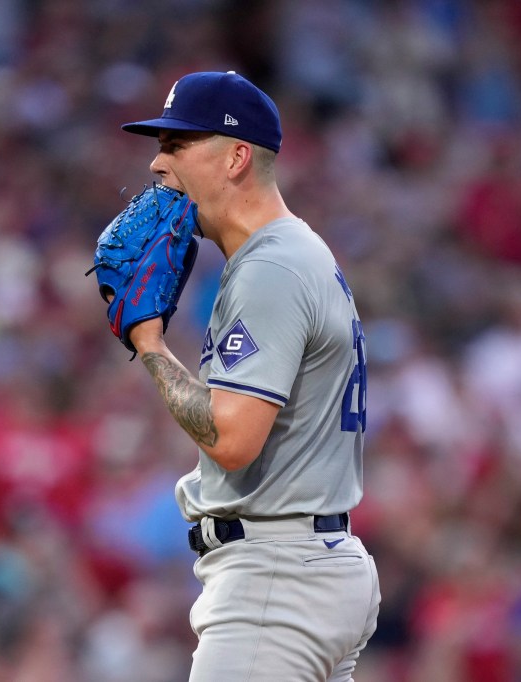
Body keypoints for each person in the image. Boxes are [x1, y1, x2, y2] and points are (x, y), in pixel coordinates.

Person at [115, 71, 381, 681]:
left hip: (276, 579)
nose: (157, 163)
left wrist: (149, 344)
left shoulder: (272, 269)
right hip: (307, 564)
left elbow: (234, 440)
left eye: (178, 145)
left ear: (237, 157)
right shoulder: (292, 253)